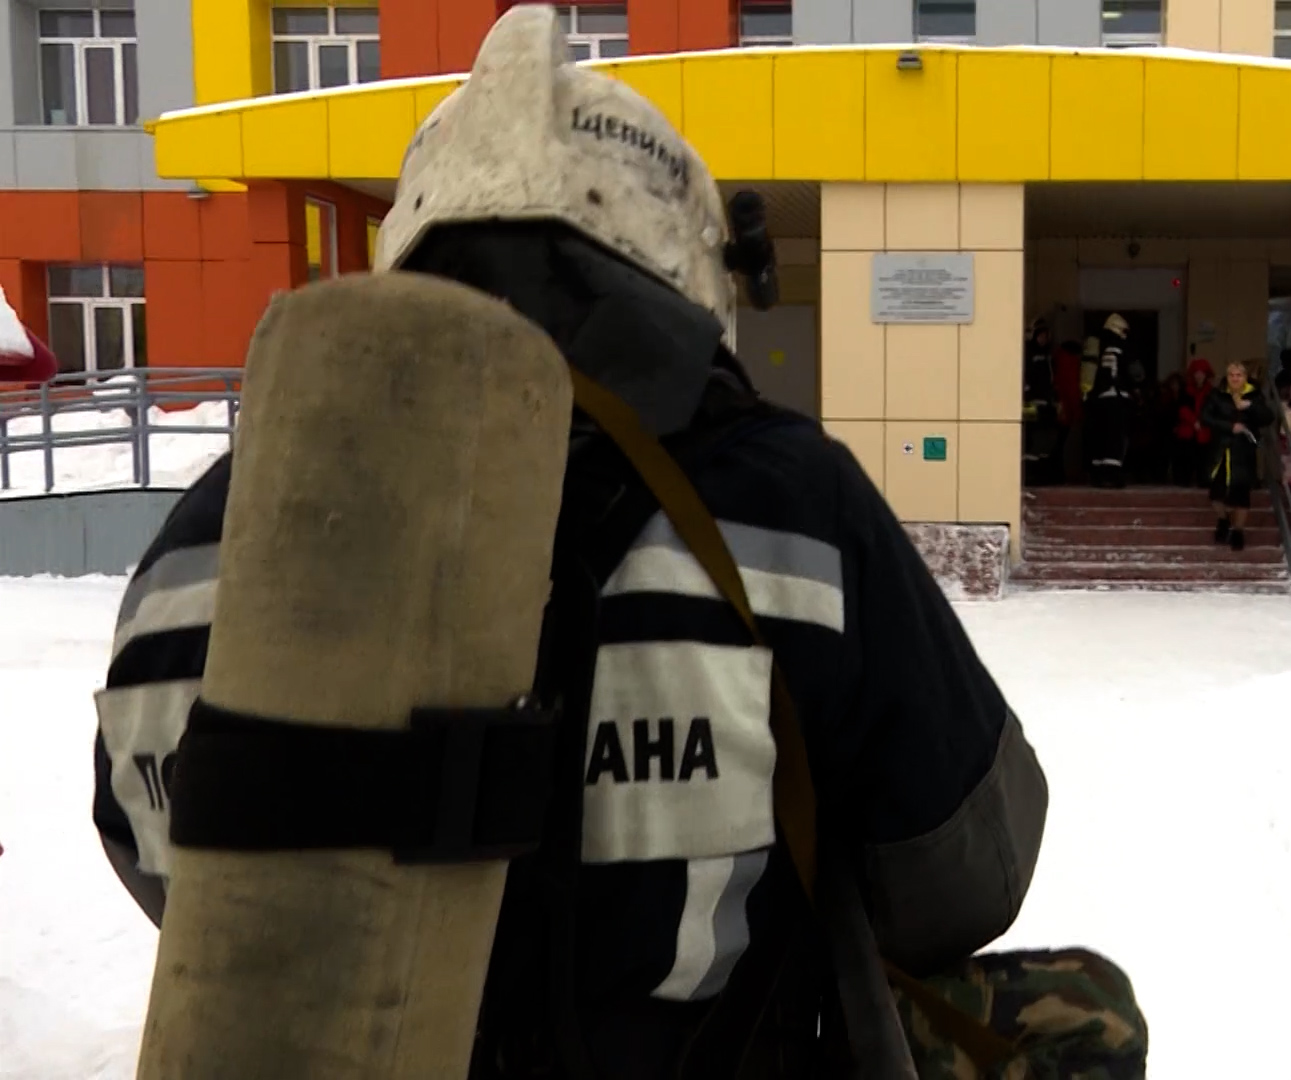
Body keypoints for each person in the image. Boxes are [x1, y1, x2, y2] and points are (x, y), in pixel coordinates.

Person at [87, 10, 1050, 1076]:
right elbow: (969, 871)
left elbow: (168, 865)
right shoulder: (793, 506)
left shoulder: (199, 542)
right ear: (689, 261)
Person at [1202, 360, 1275, 552]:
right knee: (1216, 495)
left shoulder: (1254, 395)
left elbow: (1268, 417)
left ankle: (1238, 531)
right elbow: (1205, 417)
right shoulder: (1217, 394)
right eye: (1231, 375)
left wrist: (1250, 406)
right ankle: (1223, 520)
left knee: (1241, 495)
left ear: (1245, 377)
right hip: (1221, 450)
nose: (1235, 379)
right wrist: (1229, 427)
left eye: (1239, 375)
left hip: (1243, 452)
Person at [1083, 313, 1136, 489]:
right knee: (1115, 437)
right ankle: (1112, 475)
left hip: (1098, 399)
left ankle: (1097, 474)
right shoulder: (1119, 347)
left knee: (1100, 436)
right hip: (1116, 398)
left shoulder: (1099, 346)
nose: (1125, 334)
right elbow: (1131, 373)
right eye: (1124, 331)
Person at [1021, 318, 1063, 486]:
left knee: (1047, 439)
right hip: (1032, 403)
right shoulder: (1028, 354)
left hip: (1047, 403)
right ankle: (1030, 474)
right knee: (1032, 439)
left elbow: (1052, 379)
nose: (1044, 338)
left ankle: (1043, 473)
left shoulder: (1048, 355)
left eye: (1046, 335)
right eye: (1041, 335)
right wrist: (1027, 396)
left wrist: (1056, 400)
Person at [1170, 357, 1216, 488]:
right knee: (1185, 459)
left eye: (1202, 373)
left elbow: (1213, 409)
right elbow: (1182, 409)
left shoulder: (1211, 392)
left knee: (1204, 459)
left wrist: (1202, 421)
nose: (1199, 376)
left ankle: (1203, 479)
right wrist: (1194, 421)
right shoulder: (1186, 391)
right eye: (1197, 373)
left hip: (1204, 430)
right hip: (1188, 431)